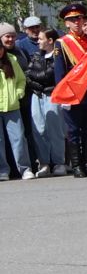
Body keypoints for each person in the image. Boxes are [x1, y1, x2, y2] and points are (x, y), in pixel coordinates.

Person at [51, 1, 87, 177]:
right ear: (66, 23)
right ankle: (77, 166)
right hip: (72, 93)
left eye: (79, 18)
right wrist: (63, 96)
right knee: (73, 131)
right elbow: (60, 72)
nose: (77, 22)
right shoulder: (62, 43)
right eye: (73, 19)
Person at [20, 16, 62, 175]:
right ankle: (44, 163)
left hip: (53, 94)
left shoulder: (58, 56)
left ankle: (59, 162)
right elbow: (28, 74)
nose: (38, 40)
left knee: (55, 129)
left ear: (50, 40)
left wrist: (39, 78)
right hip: (37, 95)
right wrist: (37, 83)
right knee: (39, 129)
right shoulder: (37, 55)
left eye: (41, 38)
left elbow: (49, 75)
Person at [0, 24, 29, 179]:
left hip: (13, 106)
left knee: (18, 138)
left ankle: (24, 169)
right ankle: (3, 171)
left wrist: (18, 93)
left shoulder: (12, 59)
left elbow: (21, 80)